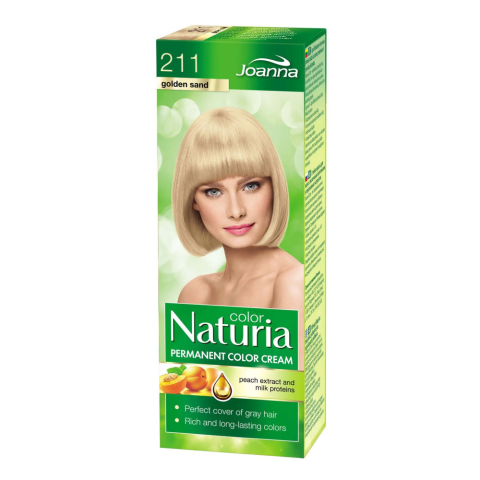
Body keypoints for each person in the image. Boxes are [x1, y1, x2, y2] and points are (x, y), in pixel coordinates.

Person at [172, 107, 304, 366]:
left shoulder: (293, 283)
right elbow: (185, 388)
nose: (236, 211)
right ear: (193, 201)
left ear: (274, 187)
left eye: (250, 186)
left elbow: (290, 392)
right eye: (213, 191)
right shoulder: (195, 294)